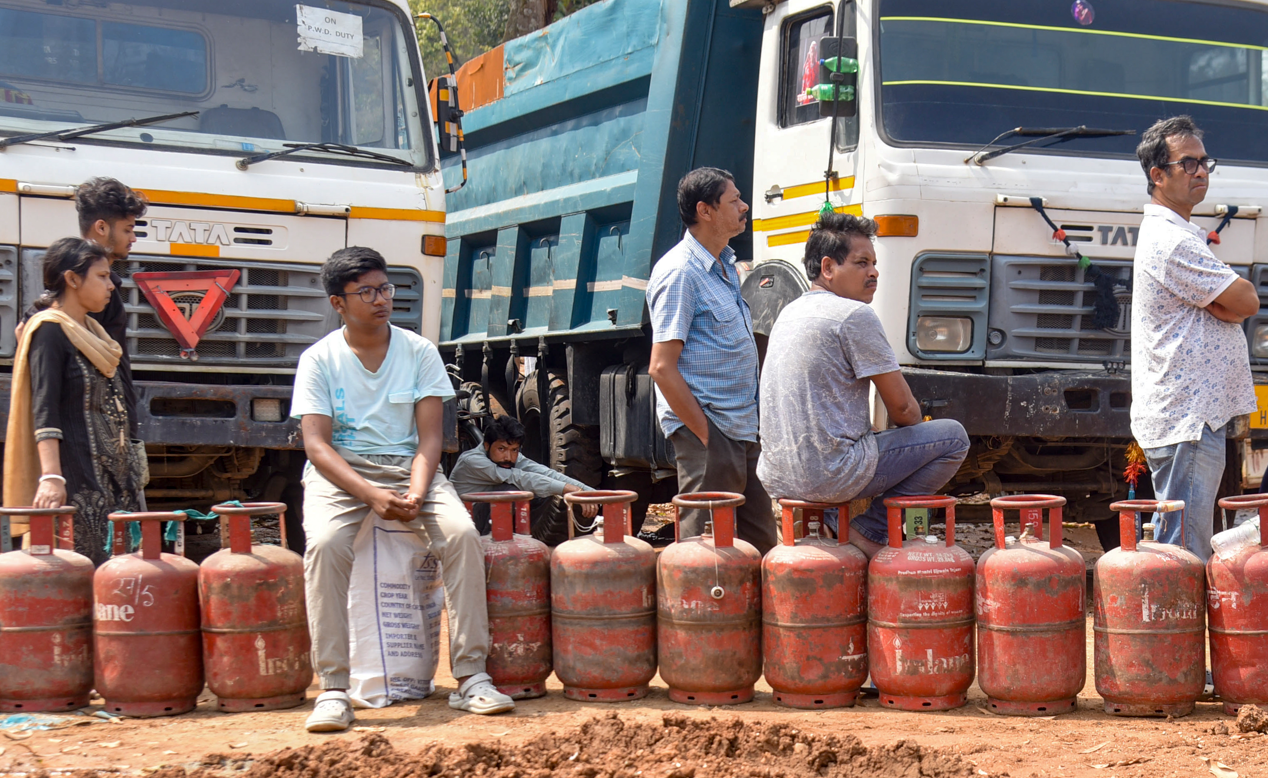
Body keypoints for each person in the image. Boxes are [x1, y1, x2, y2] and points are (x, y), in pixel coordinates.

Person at [292, 247, 514, 733]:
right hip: (343, 474)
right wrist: (370, 496)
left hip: (412, 470)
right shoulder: (319, 360)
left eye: (385, 288)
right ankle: (333, 688)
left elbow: (431, 437)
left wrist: (415, 492)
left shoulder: (418, 351)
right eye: (366, 292)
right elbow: (316, 446)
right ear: (338, 303)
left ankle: (472, 677)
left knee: (460, 536)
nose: (381, 300)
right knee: (327, 546)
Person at [755, 213, 969, 558]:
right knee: (953, 438)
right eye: (861, 263)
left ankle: (828, 522)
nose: (874, 273)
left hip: (776, 475)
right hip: (828, 474)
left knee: (866, 442)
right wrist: (908, 437)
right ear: (828, 267)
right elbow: (903, 410)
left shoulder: (788, 313)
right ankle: (870, 530)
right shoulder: (853, 315)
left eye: (874, 263)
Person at [1131, 116, 1259, 561]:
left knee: (1187, 550)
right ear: (1158, 175)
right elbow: (1246, 301)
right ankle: (1173, 633)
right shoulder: (1171, 241)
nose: (1201, 171)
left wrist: (1219, 302)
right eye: (1188, 163)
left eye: (1205, 162)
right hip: (1185, 419)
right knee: (1184, 558)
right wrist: (1222, 302)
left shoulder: (1180, 234)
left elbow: (1235, 304)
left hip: (1194, 417)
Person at [646, 167, 778, 555]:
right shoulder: (680, 273)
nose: (745, 205)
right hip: (712, 429)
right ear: (705, 211)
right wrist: (706, 435)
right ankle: (692, 615)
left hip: (740, 427)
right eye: (734, 200)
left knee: (760, 543)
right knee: (705, 550)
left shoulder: (724, 266)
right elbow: (661, 367)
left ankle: (748, 617)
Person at [3, 238, 143, 564]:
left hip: (115, 480)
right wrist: (52, 478)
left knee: (124, 578)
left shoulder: (95, 333)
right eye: (102, 276)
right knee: (82, 574)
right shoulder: (50, 331)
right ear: (73, 279)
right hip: (77, 481)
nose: (111, 286)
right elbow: (44, 407)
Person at [448, 415, 597, 534]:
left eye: (514, 450)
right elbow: (520, 477)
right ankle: (490, 548)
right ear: (487, 446)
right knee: (510, 490)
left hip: (484, 518)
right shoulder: (472, 461)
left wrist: (591, 493)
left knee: (543, 490)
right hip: (461, 525)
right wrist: (573, 491)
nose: (508, 457)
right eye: (501, 449)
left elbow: (546, 473)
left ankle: (520, 539)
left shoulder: (510, 457)